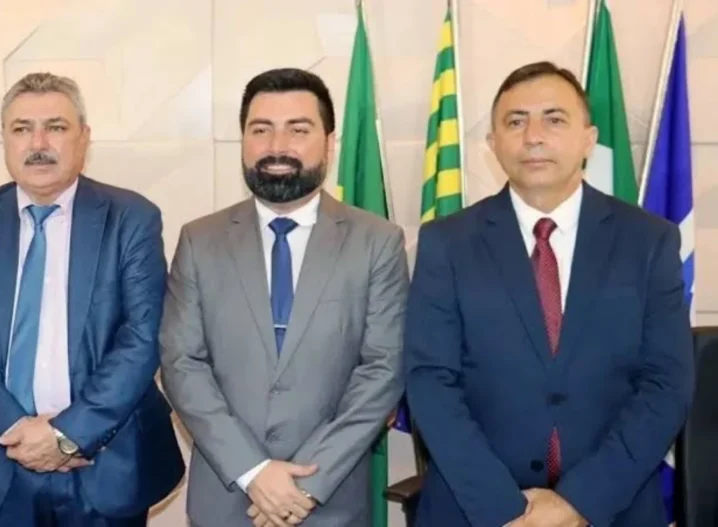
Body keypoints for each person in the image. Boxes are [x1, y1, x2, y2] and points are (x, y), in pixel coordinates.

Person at [404, 61, 694, 527]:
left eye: (554, 119)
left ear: (589, 138)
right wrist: (504, 509)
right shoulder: (447, 243)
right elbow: (430, 381)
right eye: (515, 121)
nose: (533, 136)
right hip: (476, 509)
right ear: (493, 143)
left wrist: (579, 502)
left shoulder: (648, 241)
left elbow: (666, 383)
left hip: (611, 508)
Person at [0, 72, 184, 526]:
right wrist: (14, 428)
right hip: (2, 462)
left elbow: (143, 337)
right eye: (21, 128)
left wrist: (68, 435)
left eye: (56, 127)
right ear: (4, 139)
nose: (38, 143)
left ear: (84, 137)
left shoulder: (131, 218)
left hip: (104, 462)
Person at [159, 67, 408, 527]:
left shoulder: (378, 242)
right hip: (227, 499)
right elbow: (181, 364)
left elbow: (382, 370)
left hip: (329, 501)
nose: (277, 146)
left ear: (329, 143)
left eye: (298, 129)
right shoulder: (199, 240)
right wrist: (253, 471)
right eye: (261, 129)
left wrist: (305, 485)